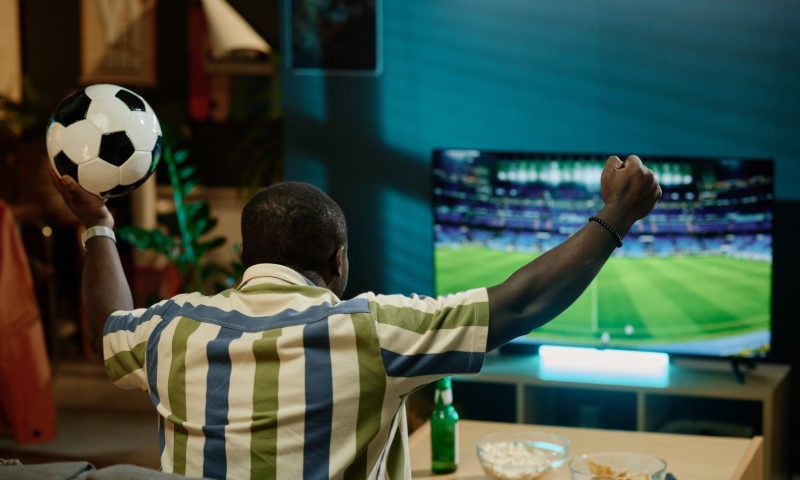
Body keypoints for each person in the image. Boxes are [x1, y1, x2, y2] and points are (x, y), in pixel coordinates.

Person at [49, 155, 660, 480]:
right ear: (338, 263)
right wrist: (615, 218)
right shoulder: (373, 331)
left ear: (243, 257)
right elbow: (521, 304)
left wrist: (98, 226)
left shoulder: (171, 328)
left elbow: (110, 325)